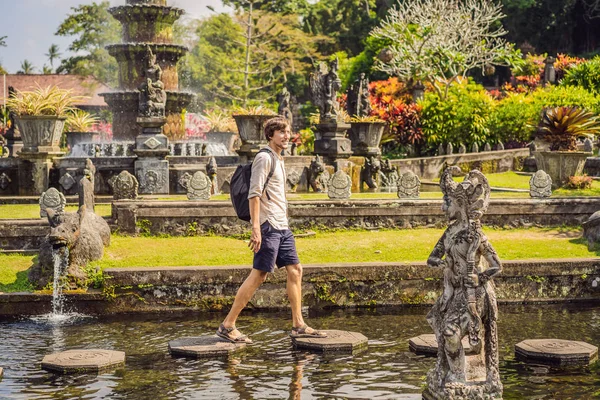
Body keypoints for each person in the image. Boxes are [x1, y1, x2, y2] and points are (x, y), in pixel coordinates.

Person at [217, 117, 327, 343]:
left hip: (282, 226)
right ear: (270, 135)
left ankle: (298, 324)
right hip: (268, 226)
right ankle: (228, 325)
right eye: (281, 132)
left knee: (295, 270)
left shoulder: (278, 159)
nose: (287, 136)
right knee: (259, 274)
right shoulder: (264, 158)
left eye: (288, 132)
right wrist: (256, 228)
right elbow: (254, 194)